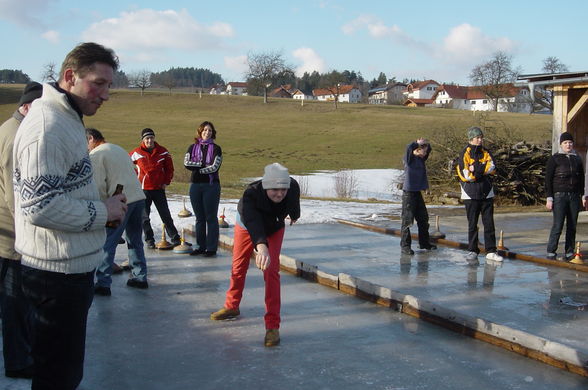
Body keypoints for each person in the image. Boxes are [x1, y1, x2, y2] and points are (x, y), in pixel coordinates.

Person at [12, 42, 127, 389]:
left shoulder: (67, 118)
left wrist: (101, 203)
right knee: (57, 376)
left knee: (63, 371)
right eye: (98, 83)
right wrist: (101, 211)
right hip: (55, 275)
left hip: (68, 269)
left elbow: (61, 190)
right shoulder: (47, 127)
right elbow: (39, 206)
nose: (105, 94)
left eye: (109, 85)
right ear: (69, 77)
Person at [210, 163, 300, 347]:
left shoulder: (292, 187)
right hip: (247, 226)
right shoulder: (251, 194)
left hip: (274, 227)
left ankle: (272, 327)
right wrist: (261, 245)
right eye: (275, 189)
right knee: (238, 265)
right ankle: (231, 306)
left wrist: (295, 215)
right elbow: (252, 221)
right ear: (266, 186)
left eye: (283, 189)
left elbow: (294, 202)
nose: (280, 193)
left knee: (272, 271)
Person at [0, 82, 42, 379]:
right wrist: (25, 235)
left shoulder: (6, 128)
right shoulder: (17, 136)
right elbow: (15, 191)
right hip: (11, 234)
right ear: (27, 106)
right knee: (15, 301)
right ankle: (18, 360)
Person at [87, 128, 149, 295]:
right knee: (135, 239)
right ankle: (140, 276)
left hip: (120, 201)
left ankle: (103, 282)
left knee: (108, 241)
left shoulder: (96, 155)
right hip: (138, 198)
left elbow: (99, 186)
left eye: (86, 143)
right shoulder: (118, 148)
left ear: (91, 139)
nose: (86, 148)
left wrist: (101, 209)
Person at [456, 127, 503, 263]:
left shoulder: (486, 152)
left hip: (486, 192)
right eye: (478, 138)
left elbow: (492, 168)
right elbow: (466, 176)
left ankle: (491, 251)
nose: (480, 140)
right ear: (471, 139)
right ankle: (472, 250)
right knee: (472, 224)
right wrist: (482, 170)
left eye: (481, 137)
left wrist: (476, 169)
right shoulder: (464, 153)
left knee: (489, 223)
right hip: (470, 193)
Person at [130, 128, 181, 248]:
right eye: (147, 138)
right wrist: (135, 179)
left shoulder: (163, 151)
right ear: (143, 140)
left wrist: (166, 182)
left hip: (159, 189)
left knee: (165, 215)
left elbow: (169, 169)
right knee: (144, 217)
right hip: (144, 190)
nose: (149, 140)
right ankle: (149, 240)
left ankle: (175, 238)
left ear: (154, 138)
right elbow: (126, 166)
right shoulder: (136, 153)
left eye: (151, 138)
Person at [184, 121, 222, 257]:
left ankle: (211, 248)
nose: (207, 132)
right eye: (205, 130)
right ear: (200, 132)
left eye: (210, 130)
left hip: (211, 186)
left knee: (211, 218)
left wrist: (198, 168)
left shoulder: (217, 148)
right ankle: (200, 246)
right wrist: (202, 165)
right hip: (195, 185)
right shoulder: (192, 147)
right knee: (199, 218)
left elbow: (215, 166)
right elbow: (187, 163)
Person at [545, 132, 584, 260]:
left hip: (574, 196)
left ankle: (569, 250)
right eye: (566, 143)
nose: (568, 145)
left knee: (572, 225)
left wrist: (583, 196)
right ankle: (551, 250)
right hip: (559, 196)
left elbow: (582, 179)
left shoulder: (577, 158)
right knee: (558, 224)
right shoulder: (555, 158)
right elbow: (548, 179)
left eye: (570, 142)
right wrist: (549, 198)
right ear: (561, 144)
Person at [400, 138, 437, 255]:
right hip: (408, 193)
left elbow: (428, 150)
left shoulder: (421, 159)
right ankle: (405, 246)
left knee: (423, 219)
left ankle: (424, 243)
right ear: (417, 150)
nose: (425, 154)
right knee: (407, 221)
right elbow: (408, 147)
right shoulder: (409, 159)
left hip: (417, 192)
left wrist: (426, 146)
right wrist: (417, 144)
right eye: (423, 151)